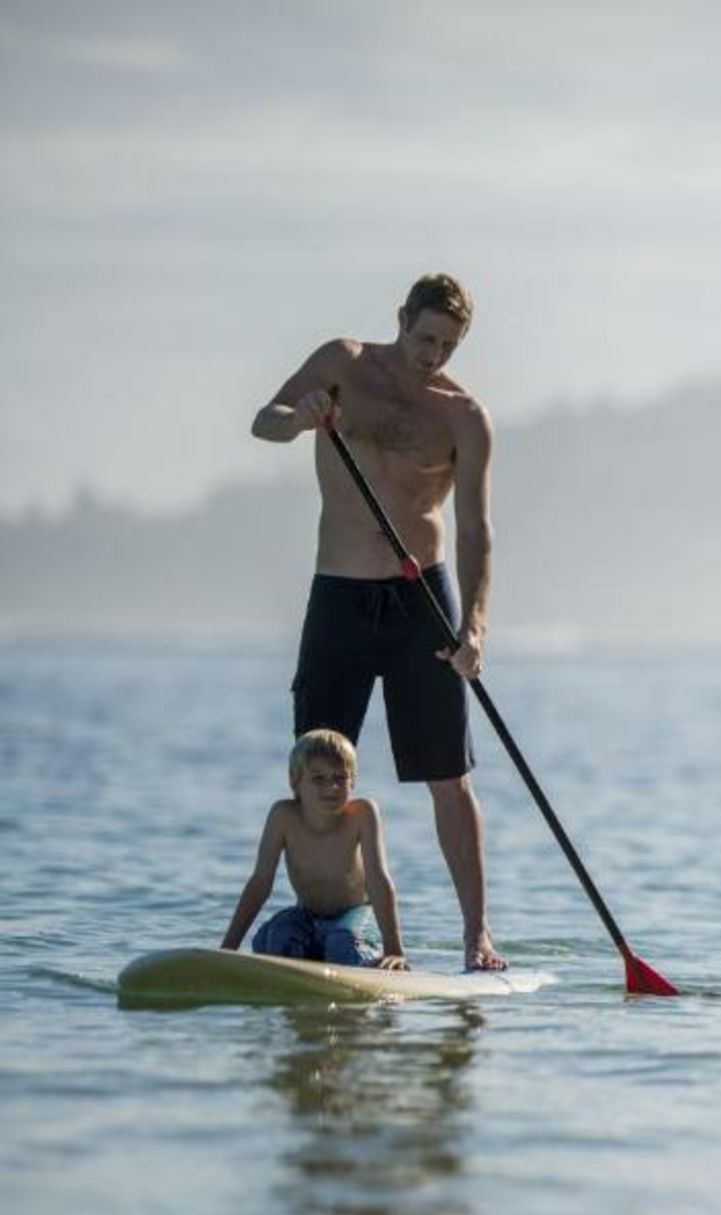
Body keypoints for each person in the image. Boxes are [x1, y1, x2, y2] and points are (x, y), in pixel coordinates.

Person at [252, 273, 505, 971]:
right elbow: (264, 420)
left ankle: (477, 937)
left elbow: (476, 531)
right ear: (401, 319)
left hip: (422, 603)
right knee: (316, 775)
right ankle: (324, 923)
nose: (433, 355)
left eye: (448, 345)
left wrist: (474, 627)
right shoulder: (343, 363)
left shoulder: (465, 418)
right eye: (425, 339)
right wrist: (300, 416)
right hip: (339, 595)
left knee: (448, 776)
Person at [221, 729, 409, 970]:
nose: (331, 787)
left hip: (354, 917)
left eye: (340, 778)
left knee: (343, 943)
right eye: (318, 778)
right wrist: (228, 948)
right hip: (307, 917)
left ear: (353, 781)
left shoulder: (363, 814)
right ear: (295, 782)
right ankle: (307, 961)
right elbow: (260, 883)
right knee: (278, 937)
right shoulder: (283, 816)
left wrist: (394, 950)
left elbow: (379, 880)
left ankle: (357, 960)